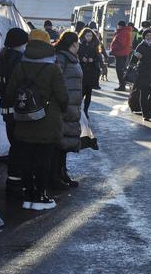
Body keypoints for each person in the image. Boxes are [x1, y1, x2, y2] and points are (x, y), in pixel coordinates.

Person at [5, 29, 69, 211]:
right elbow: (63, 97)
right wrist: (59, 110)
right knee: (43, 160)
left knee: (26, 159)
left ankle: (28, 196)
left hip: (24, 121)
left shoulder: (21, 66)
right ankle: (41, 196)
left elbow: (10, 94)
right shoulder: (52, 69)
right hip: (47, 122)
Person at [0, 27, 29, 198]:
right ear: (19, 43)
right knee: (20, 147)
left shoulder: (1, 58)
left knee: (14, 144)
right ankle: (16, 183)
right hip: (18, 109)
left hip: (5, 109)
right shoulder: (19, 60)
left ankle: (13, 181)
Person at [52, 31, 83, 190]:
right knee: (59, 141)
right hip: (64, 106)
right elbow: (57, 80)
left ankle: (62, 173)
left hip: (71, 106)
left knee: (64, 142)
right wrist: (63, 102)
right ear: (73, 44)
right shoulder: (62, 58)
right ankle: (56, 176)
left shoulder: (70, 58)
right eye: (78, 43)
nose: (79, 46)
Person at [78, 28, 102, 115]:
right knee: (82, 91)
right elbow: (76, 55)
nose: (89, 37)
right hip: (82, 70)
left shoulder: (95, 45)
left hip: (92, 71)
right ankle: (78, 109)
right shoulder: (80, 45)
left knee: (89, 93)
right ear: (84, 36)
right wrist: (81, 58)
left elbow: (99, 57)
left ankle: (86, 110)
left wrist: (93, 59)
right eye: (87, 35)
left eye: (91, 35)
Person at [110, 20, 133, 91]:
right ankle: (122, 84)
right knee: (121, 69)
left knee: (119, 70)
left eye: (118, 25)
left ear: (120, 26)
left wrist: (113, 49)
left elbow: (121, 44)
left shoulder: (123, 32)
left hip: (121, 53)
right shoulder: (124, 31)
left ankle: (122, 85)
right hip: (122, 53)